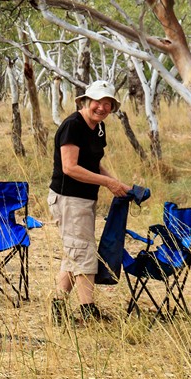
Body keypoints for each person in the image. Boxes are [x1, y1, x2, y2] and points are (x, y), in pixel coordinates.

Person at [49, 80, 131, 322]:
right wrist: (108, 183)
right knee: (84, 255)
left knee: (75, 253)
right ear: (86, 101)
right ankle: (88, 312)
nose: (102, 108)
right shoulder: (72, 126)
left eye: (107, 104)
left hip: (84, 200)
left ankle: (57, 308)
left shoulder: (99, 127)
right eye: (97, 102)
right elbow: (70, 167)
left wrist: (117, 183)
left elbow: (93, 164)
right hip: (69, 200)